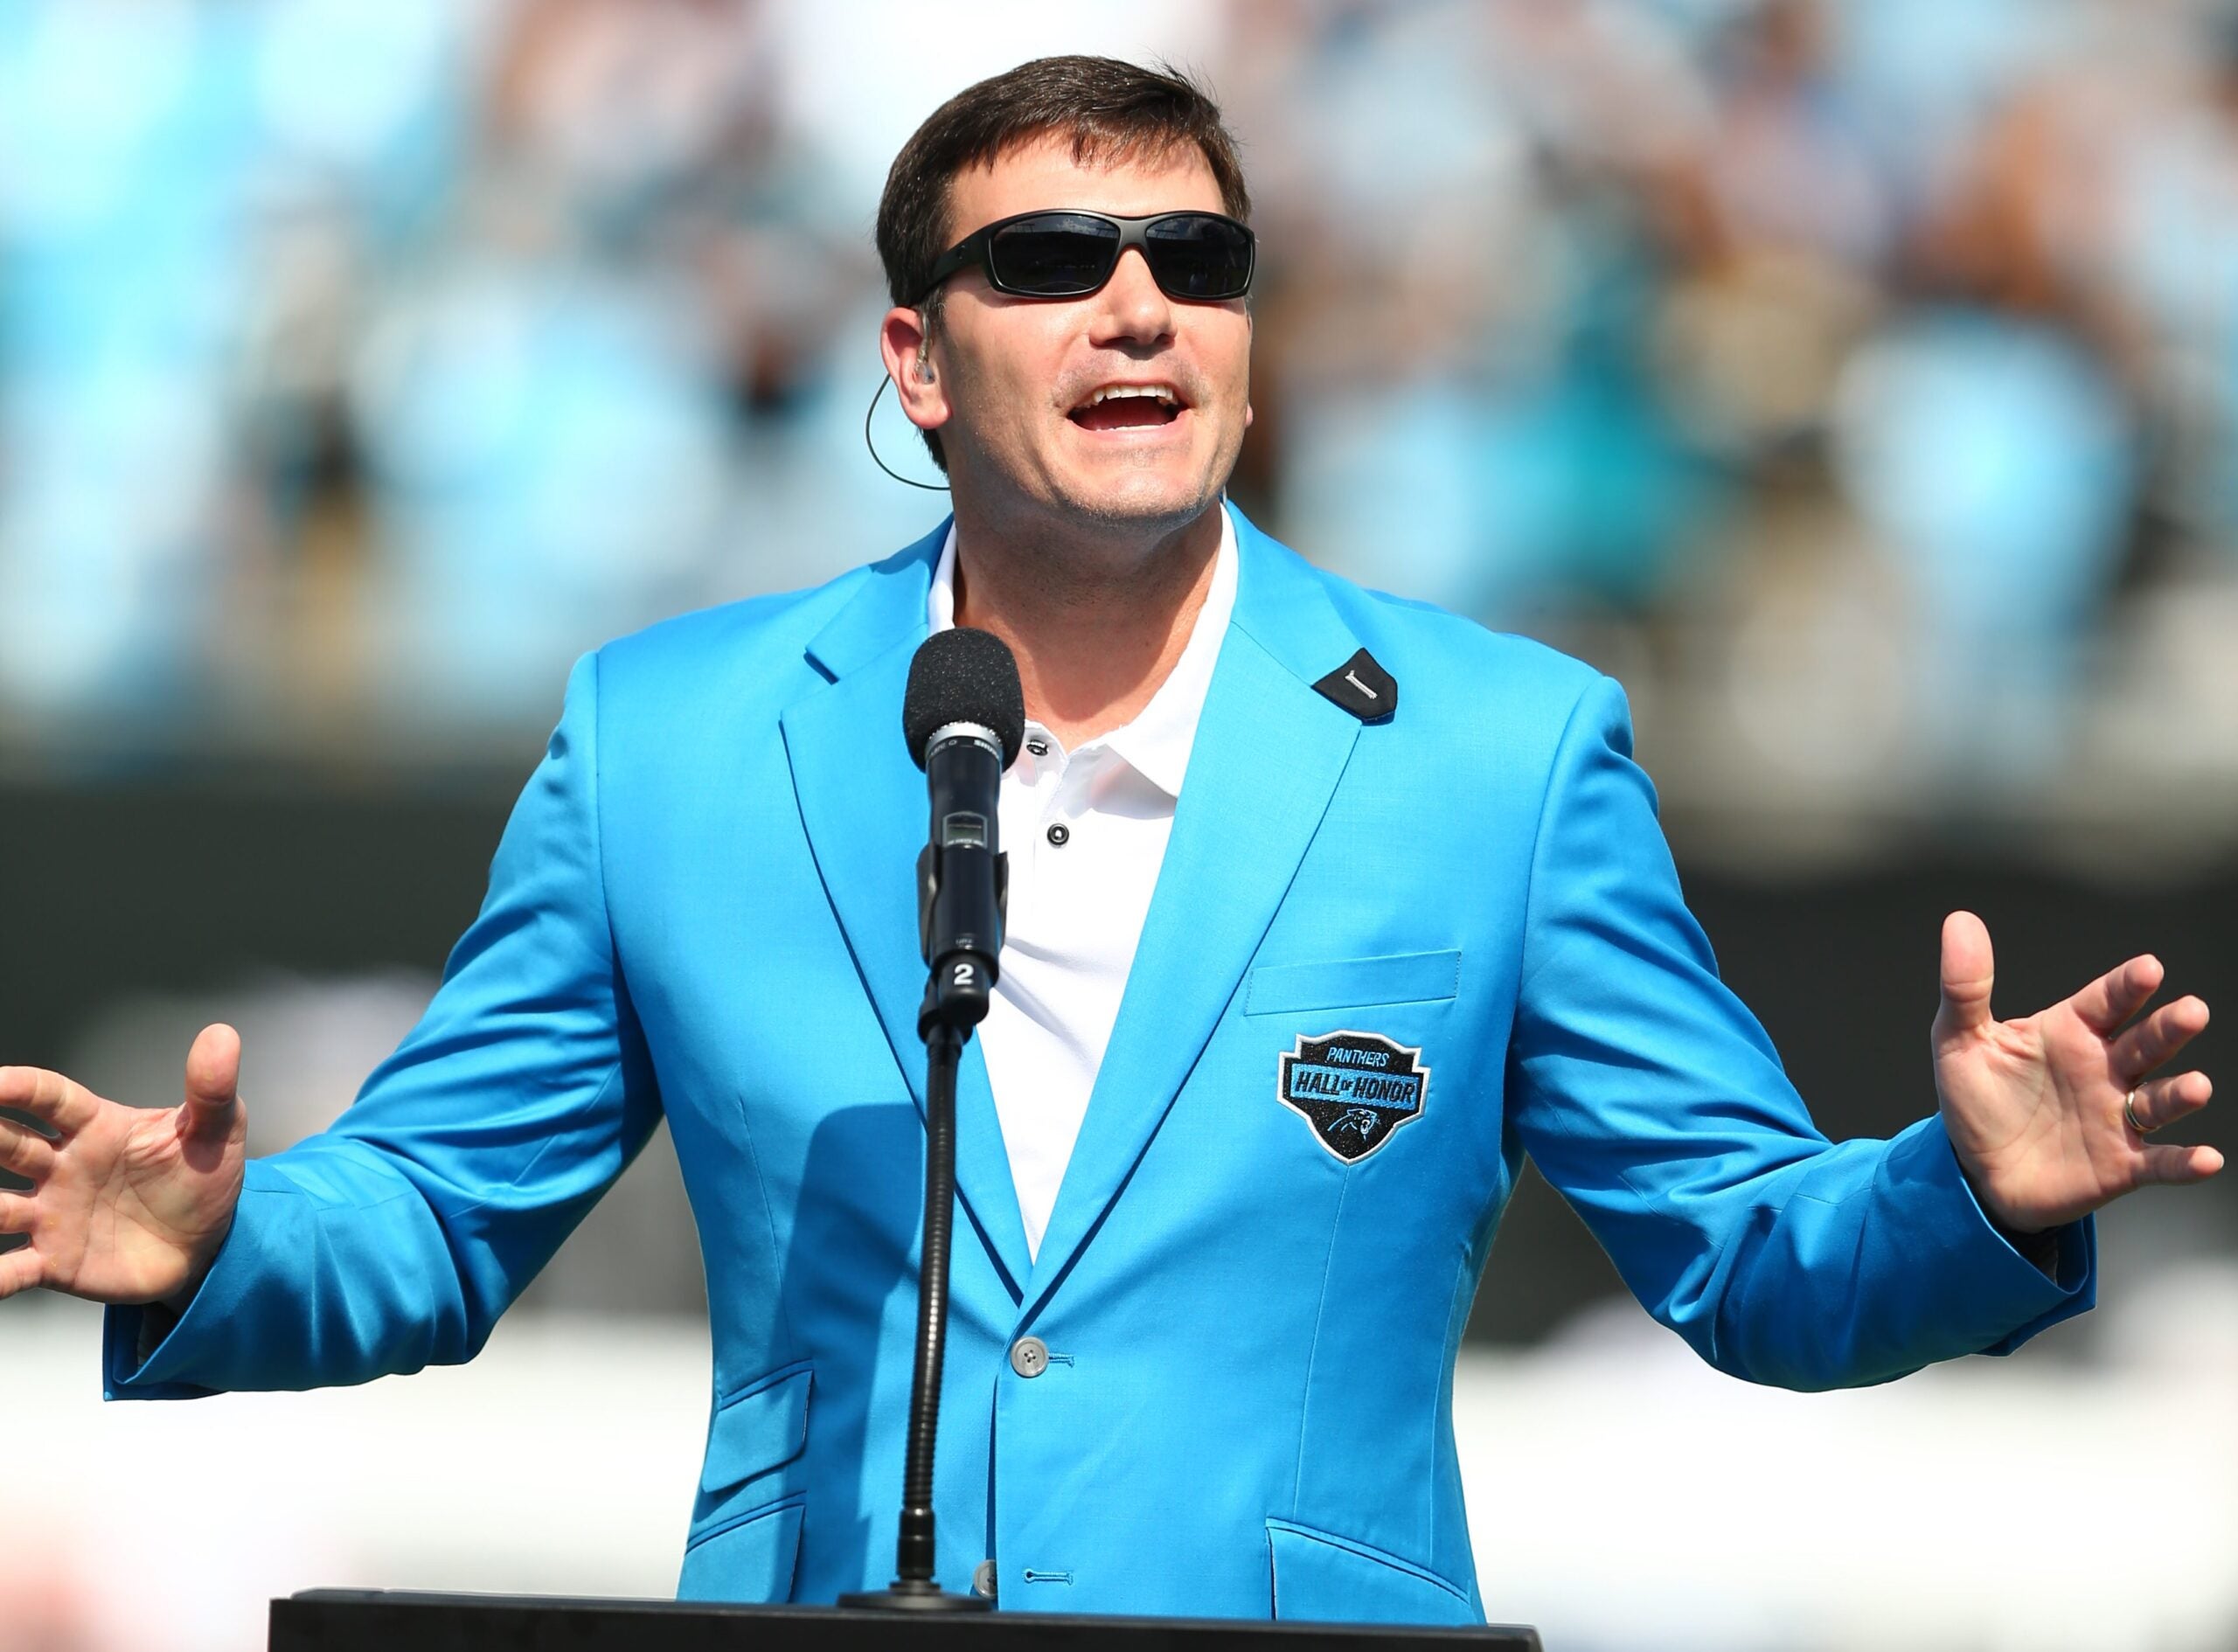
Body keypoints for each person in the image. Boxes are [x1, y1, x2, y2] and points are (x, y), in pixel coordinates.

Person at [0, 56, 2221, 1625]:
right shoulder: (669, 740)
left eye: (1195, 253)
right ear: (918, 362)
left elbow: (1746, 1254)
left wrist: (1968, 1198)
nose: (1137, 298)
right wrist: (214, 1247)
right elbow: (432, 1218)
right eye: (1054, 255)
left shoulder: (1498, 755)